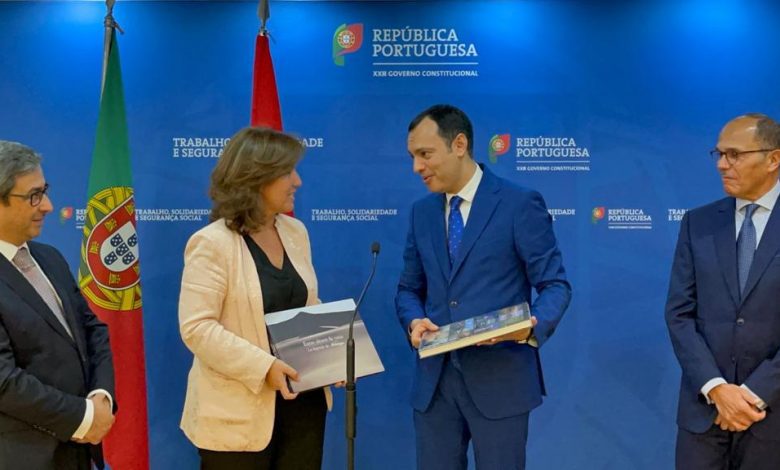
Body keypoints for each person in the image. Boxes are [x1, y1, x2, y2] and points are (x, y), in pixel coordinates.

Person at [395, 104, 571, 469]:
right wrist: (414, 321)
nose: (417, 167)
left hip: (501, 380)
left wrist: (528, 328)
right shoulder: (421, 213)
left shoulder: (519, 203)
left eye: (425, 154)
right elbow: (408, 290)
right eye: (413, 157)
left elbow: (555, 285)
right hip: (435, 387)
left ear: (459, 145)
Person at [178, 127, 331, 469]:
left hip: (303, 404)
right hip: (237, 415)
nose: (298, 181)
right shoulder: (211, 243)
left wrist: (330, 354)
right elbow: (198, 329)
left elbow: (306, 305)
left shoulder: (296, 232)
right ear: (257, 178)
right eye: (288, 172)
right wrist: (265, 368)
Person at [666, 113, 780, 469]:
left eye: (735, 155)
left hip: (772, 419)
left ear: (773, 159)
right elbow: (679, 314)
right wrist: (716, 388)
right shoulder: (697, 223)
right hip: (704, 415)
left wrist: (753, 394)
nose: (722, 165)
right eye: (719, 154)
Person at [0, 141, 115, 470]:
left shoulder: (50, 258)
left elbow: (93, 330)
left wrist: (101, 396)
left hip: (78, 451)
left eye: (45, 191)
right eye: (33, 196)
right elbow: (4, 381)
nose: (48, 206)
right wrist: (83, 417)